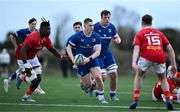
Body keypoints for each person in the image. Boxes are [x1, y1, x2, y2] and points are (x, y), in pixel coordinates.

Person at [129, 14, 177, 110]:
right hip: (160, 56)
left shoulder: (140, 33)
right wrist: (173, 65)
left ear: (142, 23)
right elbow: (170, 49)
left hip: (146, 56)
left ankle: (135, 99)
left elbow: (136, 49)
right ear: (151, 22)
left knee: (139, 75)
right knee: (163, 79)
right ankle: (168, 99)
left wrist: (134, 62)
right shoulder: (159, 33)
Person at [15, 20, 62, 102]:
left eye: (50, 29)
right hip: (22, 56)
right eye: (47, 29)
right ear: (41, 29)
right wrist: (26, 65)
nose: (49, 31)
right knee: (33, 79)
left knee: (38, 78)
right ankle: (20, 76)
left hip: (32, 57)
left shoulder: (46, 39)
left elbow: (52, 50)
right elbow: (23, 50)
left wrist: (62, 57)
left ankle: (26, 96)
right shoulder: (33, 37)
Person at [66, 18, 108, 104]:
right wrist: (73, 60)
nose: (92, 27)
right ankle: (87, 86)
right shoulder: (77, 36)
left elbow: (98, 51)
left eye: (92, 25)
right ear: (85, 26)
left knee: (99, 78)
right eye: (90, 25)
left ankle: (101, 98)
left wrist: (89, 59)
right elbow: (68, 47)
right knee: (88, 85)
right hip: (81, 62)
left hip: (92, 60)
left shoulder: (96, 36)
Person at [3, 18, 45, 94]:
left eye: (35, 24)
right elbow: (12, 36)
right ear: (29, 24)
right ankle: (11, 80)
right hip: (24, 54)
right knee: (24, 71)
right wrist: (15, 46)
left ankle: (37, 87)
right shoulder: (23, 31)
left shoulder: (37, 31)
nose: (34, 25)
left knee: (36, 69)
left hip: (32, 55)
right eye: (32, 24)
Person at [94, 10, 121, 101]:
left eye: (108, 17)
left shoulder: (112, 27)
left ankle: (112, 95)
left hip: (107, 53)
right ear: (101, 17)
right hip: (98, 55)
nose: (107, 19)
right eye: (105, 17)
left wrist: (118, 40)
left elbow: (117, 36)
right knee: (102, 77)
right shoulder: (95, 27)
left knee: (114, 74)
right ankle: (97, 90)